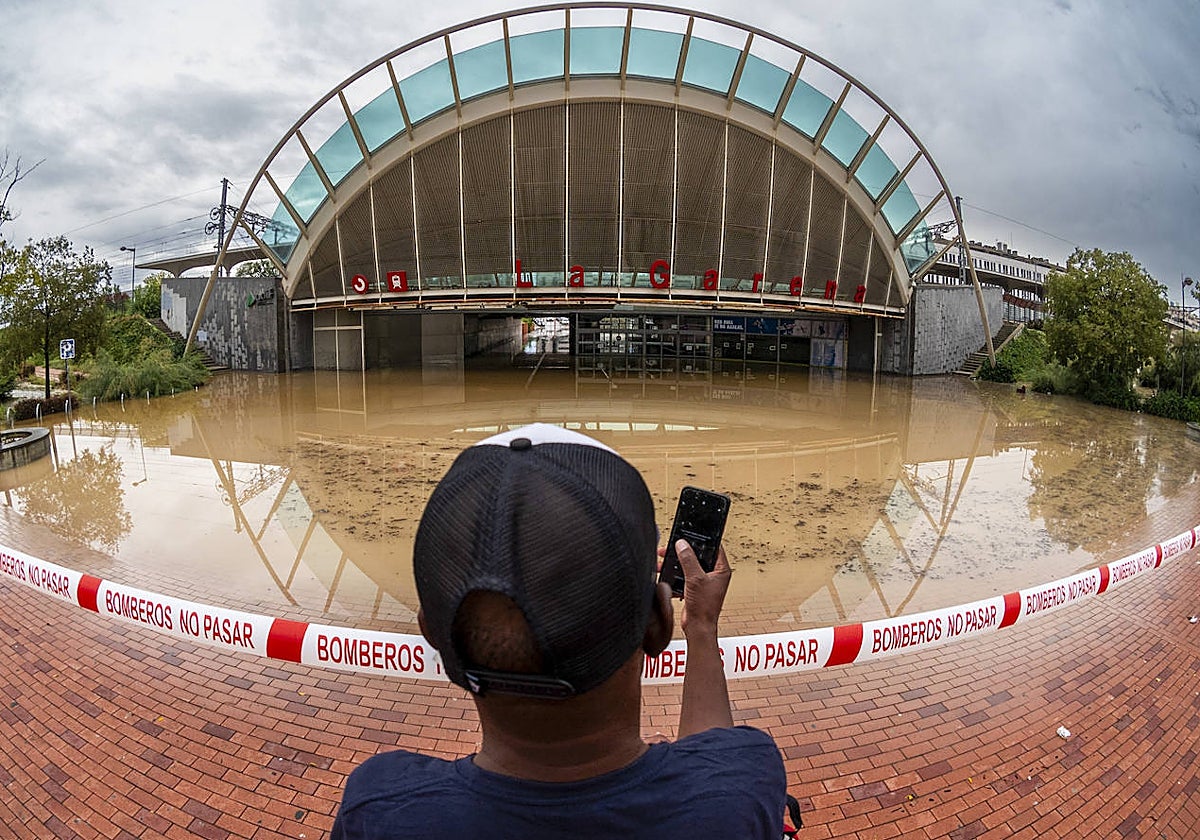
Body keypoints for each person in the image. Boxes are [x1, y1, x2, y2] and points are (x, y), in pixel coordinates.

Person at [331, 423, 786, 838]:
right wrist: (702, 628)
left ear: (436, 636)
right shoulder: (742, 790)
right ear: (657, 624)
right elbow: (711, 766)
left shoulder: (379, 809)